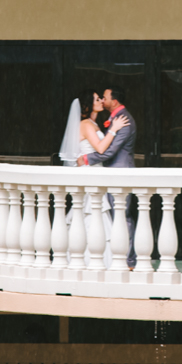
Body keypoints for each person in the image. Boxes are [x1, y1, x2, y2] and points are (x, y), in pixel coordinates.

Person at [58, 90, 128, 268]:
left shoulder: (93, 124)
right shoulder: (86, 125)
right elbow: (101, 149)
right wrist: (113, 129)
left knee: (95, 213)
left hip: (96, 173)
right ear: (89, 104)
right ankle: (89, 260)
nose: (101, 101)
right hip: (89, 174)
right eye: (97, 99)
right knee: (90, 213)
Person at [77, 87, 138, 268]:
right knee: (104, 215)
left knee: (122, 216)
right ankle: (105, 257)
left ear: (115, 101)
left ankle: (129, 260)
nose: (102, 101)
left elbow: (108, 151)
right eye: (98, 99)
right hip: (103, 175)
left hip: (118, 173)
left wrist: (86, 159)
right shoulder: (93, 124)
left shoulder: (123, 120)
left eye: (104, 98)